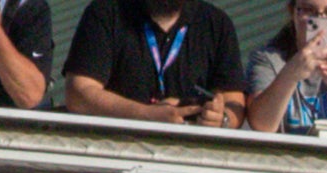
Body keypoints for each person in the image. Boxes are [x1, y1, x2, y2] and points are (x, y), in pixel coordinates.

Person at [59, 0, 246, 122]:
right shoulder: (106, 12)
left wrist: (220, 120)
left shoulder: (216, 23)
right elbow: (79, 94)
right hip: (117, 153)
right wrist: (147, 115)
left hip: (191, 159)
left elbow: (234, 103)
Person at [246, 0, 327, 132]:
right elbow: (261, 125)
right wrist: (290, 74)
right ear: (293, 12)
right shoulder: (267, 57)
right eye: (308, 10)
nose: (319, 21)